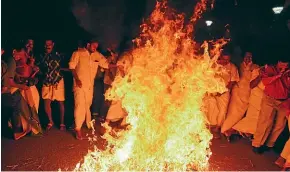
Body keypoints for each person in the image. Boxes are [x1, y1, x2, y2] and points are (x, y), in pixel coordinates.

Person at [69, 38, 119, 140]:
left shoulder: (97, 55)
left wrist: (117, 65)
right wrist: (77, 79)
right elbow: (72, 67)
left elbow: (106, 64)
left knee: (87, 104)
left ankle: (80, 122)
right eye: (93, 46)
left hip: (89, 86)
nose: (95, 48)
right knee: (80, 105)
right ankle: (78, 128)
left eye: (96, 46)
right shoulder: (78, 53)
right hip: (79, 85)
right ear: (88, 44)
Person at [2, 46, 42, 140]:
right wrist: (22, 86)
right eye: (20, 54)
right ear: (14, 51)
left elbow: (16, 75)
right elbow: (10, 80)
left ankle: (26, 129)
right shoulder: (11, 61)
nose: (19, 57)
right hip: (13, 89)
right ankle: (23, 130)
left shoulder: (13, 60)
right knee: (21, 108)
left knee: (24, 108)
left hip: (18, 87)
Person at [252, 61, 290, 154]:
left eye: (286, 64)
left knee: (280, 125)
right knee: (265, 122)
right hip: (269, 99)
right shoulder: (270, 68)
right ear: (278, 62)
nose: (285, 66)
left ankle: (269, 144)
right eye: (283, 63)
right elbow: (266, 81)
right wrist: (279, 75)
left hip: (284, 101)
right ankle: (257, 144)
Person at [221, 51, 259, 141]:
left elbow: (253, 83)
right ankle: (224, 130)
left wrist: (249, 68)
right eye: (246, 56)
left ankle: (230, 131)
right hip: (236, 92)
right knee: (231, 113)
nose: (248, 58)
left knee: (239, 116)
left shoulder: (255, 67)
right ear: (243, 57)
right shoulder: (238, 65)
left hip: (246, 95)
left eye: (250, 57)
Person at [205, 51, 240, 139]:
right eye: (224, 59)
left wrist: (223, 91)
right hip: (212, 91)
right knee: (211, 108)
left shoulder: (232, 67)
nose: (225, 61)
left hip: (224, 92)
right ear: (221, 57)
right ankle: (209, 127)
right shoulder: (214, 65)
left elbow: (232, 82)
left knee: (222, 111)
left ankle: (217, 129)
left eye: (228, 60)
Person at [38, 39, 66, 131]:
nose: (47, 46)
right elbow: (40, 68)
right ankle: (50, 121)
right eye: (46, 44)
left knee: (60, 102)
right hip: (47, 81)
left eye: (49, 44)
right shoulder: (41, 55)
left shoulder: (59, 54)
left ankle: (62, 123)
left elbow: (66, 65)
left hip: (58, 81)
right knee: (46, 101)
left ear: (53, 44)